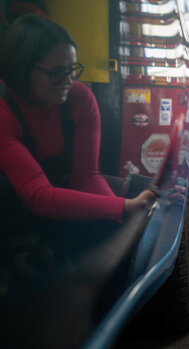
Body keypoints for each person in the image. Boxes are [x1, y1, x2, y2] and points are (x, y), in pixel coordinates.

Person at [0, 14, 154, 233]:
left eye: (71, 69)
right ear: (22, 68)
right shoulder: (4, 110)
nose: (68, 81)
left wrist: (119, 221)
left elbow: (85, 178)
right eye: (55, 73)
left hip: (55, 195)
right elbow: (38, 197)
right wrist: (124, 207)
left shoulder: (80, 99)